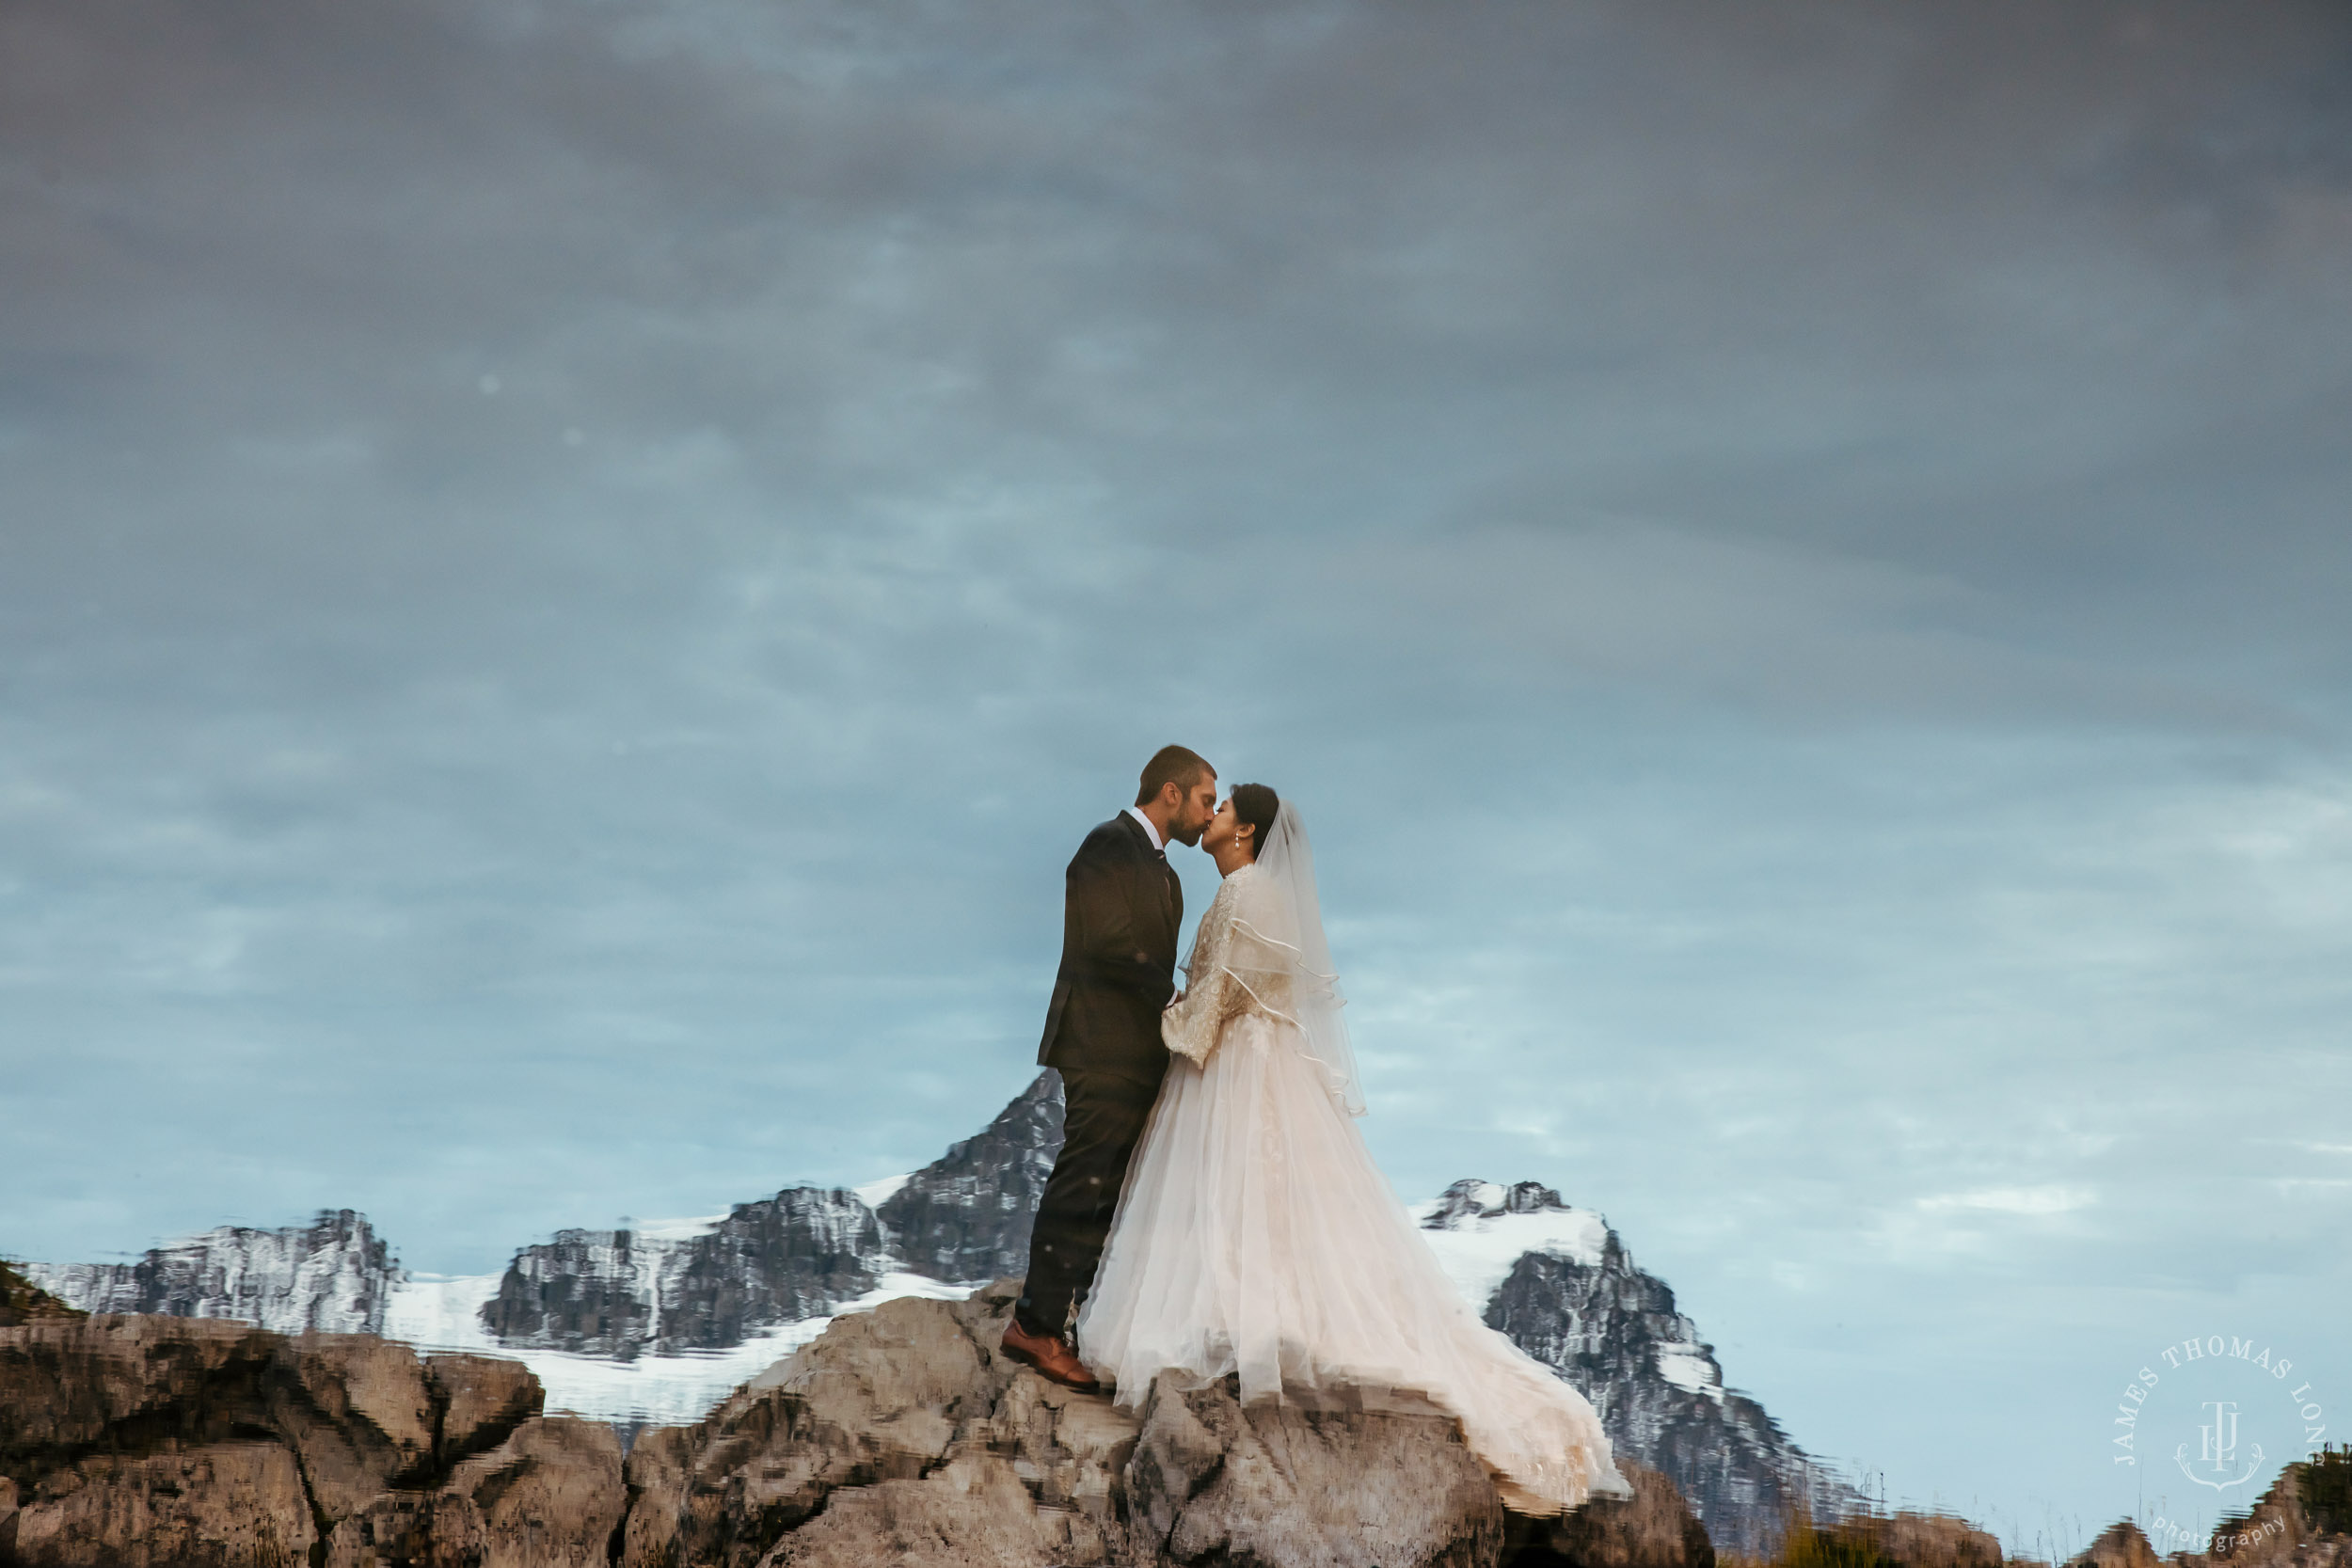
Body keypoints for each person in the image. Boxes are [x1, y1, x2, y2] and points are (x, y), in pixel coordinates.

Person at [1072, 784, 1635, 1516]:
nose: (1207, 817)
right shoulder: (1265, 893)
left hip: (1236, 1067)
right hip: (1272, 1063)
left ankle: (1245, 1325)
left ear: (1244, 830)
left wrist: (1148, 1022)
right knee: (1276, 1201)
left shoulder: (1241, 896)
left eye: (1221, 807)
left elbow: (1206, 1017)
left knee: (1233, 1191)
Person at [1000, 744, 1218, 1392]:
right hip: (1097, 1044)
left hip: (1138, 1055)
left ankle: (1071, 1322)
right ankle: (1034, 1324)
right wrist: (1172, 997)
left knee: (1107, 1191)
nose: (1209, 815)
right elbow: (1109, 940)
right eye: (1206, 798)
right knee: (1081, 1177)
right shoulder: (1106, 843)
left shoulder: (1171, 878)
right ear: (1171, 793)